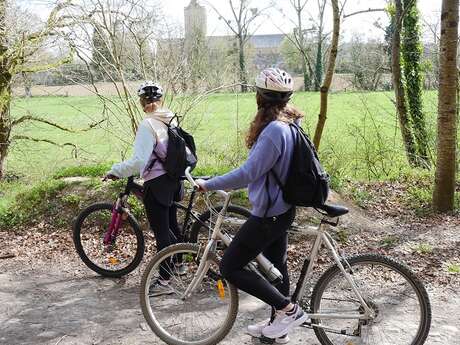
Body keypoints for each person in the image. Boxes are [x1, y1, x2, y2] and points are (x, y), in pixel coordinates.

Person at [196, 68, 307, 343]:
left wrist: (208, 184)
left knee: (230, 267)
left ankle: (288, 310)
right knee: (276, 267)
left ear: (260, 97)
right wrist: (217, 180)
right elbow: (266, 171)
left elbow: (249, 172)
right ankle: (278, 327)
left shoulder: (273, 131)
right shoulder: (290, 124)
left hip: (269, 215)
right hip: (283, 209)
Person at [104, 81, 184, 291]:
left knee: (162, 233)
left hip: (157, 182)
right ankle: (179, 264)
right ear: (161, 100)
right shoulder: (170, 118)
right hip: (174, 179)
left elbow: (139, 161)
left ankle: (165, 281)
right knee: (172, 226)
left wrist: (116, 170)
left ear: (141, 102)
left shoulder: (148, 124)